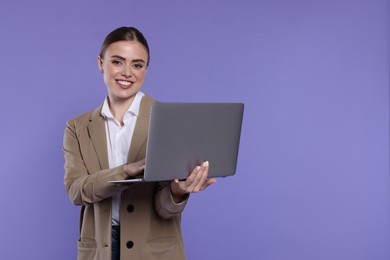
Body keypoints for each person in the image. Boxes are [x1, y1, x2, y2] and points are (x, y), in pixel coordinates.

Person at [63, 26, 217, 260]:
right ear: (100, 63)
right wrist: (124, 171)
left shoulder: (169, 120)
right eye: (117, 61)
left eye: (137, 65)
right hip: (100, 250)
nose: (127, 72)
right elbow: (76, 191)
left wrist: (178, 191)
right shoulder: (77, 127)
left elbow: (165, 208)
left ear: (146, 69)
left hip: (153, 251)